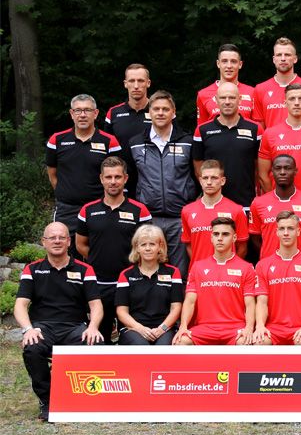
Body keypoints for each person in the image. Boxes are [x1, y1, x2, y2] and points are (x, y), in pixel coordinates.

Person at [16, 222, 103, 421]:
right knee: (32, 347)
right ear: (43, 242)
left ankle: (82, 397)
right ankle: (48, 401)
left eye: (61, 237)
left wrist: (93, 327)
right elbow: (21, 305)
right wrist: (28, 329)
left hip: (75, 327)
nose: (57, 241)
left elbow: (96, 305)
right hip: (42, 328)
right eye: (52, 237)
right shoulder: (33, 269)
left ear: (69, 241)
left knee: (95, 342)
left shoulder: (85, 269)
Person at [76, 156, 152, 343]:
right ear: (101, 178)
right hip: (99, 283)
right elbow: (80, 245)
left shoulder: (139, 211)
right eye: (108, 177)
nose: (113, 182)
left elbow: (148, 246)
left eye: (117, 177)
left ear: (125, 178)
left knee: (132, 335)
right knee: (100, 335)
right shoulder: (88, 210)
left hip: (131, 282)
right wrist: (97, 259)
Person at [128, 90, 196, 276]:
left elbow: (196, 176)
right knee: (149, 269)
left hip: (179, 217)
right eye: (156, 109)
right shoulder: (136, 143)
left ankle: (177, 305)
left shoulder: (188, 142)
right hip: (149, 217)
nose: (160, 113)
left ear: (173, 112)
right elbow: (131, 178)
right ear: (148, 112)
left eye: (165, 109)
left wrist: (188, 199)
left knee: (179, 272)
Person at [47, 94, 122, 255]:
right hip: (66, 210)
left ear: (95, 113)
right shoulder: (57, 140)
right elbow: (52, 173)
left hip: (99, 208)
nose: (82, 115)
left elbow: (117, 175)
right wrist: (66, 193)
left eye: (87, 110)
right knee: (65, 254)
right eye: (78, 110)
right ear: (71, 113)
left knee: (99, 252)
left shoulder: (109, 142)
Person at [173, 217, 256, 346]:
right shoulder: (197, 267)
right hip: (204, 328)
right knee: (180, 342)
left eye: (225, 234)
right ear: (211, 238)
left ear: (234, 238)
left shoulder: (246, 268)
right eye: (216, 234)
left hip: (234, 328)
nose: (220, 238)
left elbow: (250, 303)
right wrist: (183, 326)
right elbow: (190, 301)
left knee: (245, 343)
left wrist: (249, 328)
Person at [192, 82, 263, 213]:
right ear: (216, 100)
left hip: (246, 203)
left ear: (240, 100)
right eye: (223, 98)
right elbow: (198, 168)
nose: (227, 102)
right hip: (213, 204)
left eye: (232, 97)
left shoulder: (255, 129)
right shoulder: (202, 130)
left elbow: (259, 168)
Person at [253, 212, 301, 345]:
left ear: (298, 231)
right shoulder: (263, 265)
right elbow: (262, 302)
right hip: (274, 328)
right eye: (282, 229)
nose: (286, 233)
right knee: (260, 343)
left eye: (290, 228)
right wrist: (260, 326)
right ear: (276, 232)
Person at [115, 225, 183, 346]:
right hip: (133, 328)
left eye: (152, 244)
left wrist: (162, 328)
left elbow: (176, 307)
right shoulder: (126, 275)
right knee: (141, 346)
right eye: (143, 245)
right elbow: (121, 311)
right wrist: (140, 328)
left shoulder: (173, 273)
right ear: (137, 248)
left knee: (163, 348)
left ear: (160, 247)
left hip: (164, 328)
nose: (148, 248)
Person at [249, 154, 301, 259]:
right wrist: (269, 257)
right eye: (278, 168)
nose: (282, 172)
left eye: (287, 168)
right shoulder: (258, 203)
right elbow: (255, 238)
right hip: (270, 268)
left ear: (295, 171)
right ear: (272, 172)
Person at [180, 160, 249, 264]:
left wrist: (228, 266)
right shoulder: (187, 211)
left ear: (223, 181)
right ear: (200, 180)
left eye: (214, 178)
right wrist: (200, 266)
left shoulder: (236, 210)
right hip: (199, 275)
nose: (209, 182)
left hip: (227, 276)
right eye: (205, 178)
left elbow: (242, 247)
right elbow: (189, 244)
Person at [252, 37, 301, 128]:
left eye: (287, 55)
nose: (283, 58)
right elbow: (260, 129)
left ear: (295, 59)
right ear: (274, 59)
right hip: (272, 142)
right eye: (279, 55)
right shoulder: (260, 89)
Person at [105, 63, 152, 198]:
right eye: (132, 81)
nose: (136, 86)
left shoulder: (160, 111)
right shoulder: (114, 113)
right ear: (125, 84)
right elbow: (107, 151)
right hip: (121, 182)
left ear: (148, 83)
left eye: (140, 81)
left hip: (152, 182)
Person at [196, 44, 256, 124]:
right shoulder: (203, 94)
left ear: (240, 64)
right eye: (224, 61)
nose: (229, 66)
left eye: (233, 61)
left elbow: (258, 128)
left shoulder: (253, 93)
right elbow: (201, 130)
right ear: (218, 64)